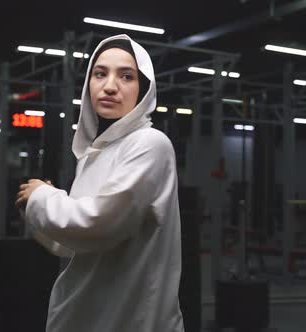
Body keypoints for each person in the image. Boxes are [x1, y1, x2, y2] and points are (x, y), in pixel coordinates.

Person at [15, 34, 184, 332]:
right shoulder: (93, 156)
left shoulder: (150, 144)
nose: (109, 86)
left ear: (143, 90)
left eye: (126, 76)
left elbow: (98, 224)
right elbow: (74, 244)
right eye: (100, 73)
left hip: (131, 320)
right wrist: (34, 209)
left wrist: (44, 198)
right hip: (83, 314)